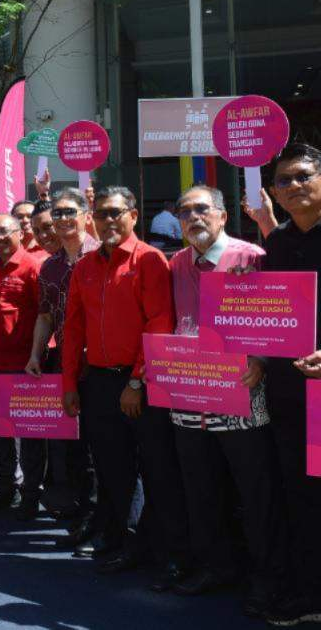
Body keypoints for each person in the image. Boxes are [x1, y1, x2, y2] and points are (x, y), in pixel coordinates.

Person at [62, 187, 190, 589]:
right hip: (98, 382)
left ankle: (171, 553)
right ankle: (126, 542)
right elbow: (73, 329)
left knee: (158, 470)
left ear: (134, 215)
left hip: (142, 383)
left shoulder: (149, 259)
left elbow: (159, 322)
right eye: (102, 214)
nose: (108, 221)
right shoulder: (84, 266)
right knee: (113, 469)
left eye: (116, 213)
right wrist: (69, 384)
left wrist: (137, 380)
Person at [167, 185, 283, 614]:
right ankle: (216, 566)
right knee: (200, 486)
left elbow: (280, 314)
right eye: (184, 212)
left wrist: (263, 359)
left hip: (241, 393)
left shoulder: (252, 256)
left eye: (201, 210)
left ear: (221, 215)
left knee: (254, 490)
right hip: (189, 391)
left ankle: (266, 577)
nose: (193, 218)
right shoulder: (176, 263)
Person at [261, 143, 321, 626]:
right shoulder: (276, 244)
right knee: (300, 493)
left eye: (302, 176)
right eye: (283, 181)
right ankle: (308, 594)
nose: (293, 187)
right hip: (291, 393)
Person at [25, 187, 100, 552]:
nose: (63, 220)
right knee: (73, 445)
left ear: (87, 214)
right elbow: (44, 314)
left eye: (70, 212)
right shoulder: (50, 266)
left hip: (103, 366)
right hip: (66, 366)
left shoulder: (102, 255)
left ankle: (106, 521)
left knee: (102, 448)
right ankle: (83, 513)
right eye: (58, 214)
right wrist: (36, 354)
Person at [0, 215, 44, 519]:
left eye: (5, 231)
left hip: (23, 364)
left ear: (20, 233)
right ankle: (6, 486)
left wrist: (36, 355)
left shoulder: (33, 266)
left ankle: (30, 494)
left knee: (27, 432)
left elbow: (45, 316)